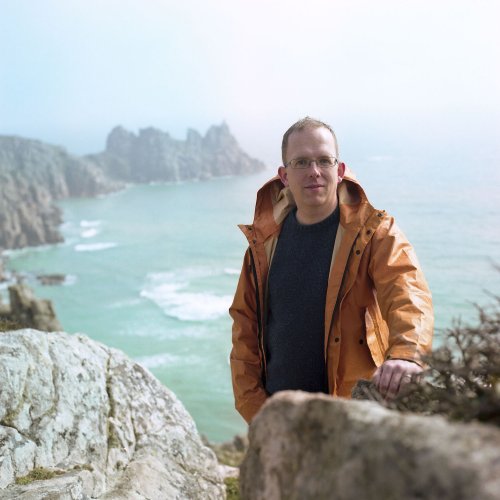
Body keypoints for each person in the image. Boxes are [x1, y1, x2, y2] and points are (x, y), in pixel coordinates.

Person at [229, 117, 433, 423]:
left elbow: (407, 290)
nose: (314, 171)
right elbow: (244, 331)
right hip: (281, 419)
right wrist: (256, 409)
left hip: (348, 415)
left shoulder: (375, 232)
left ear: (339, 170)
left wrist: (407, 353)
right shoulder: (264, 243)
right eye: (301, 162)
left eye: (324, 160)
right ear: (284, 175)